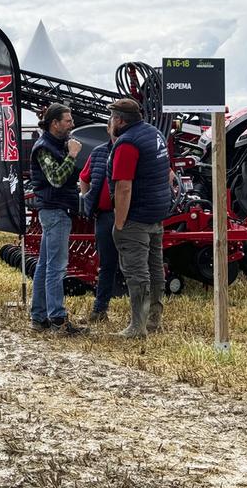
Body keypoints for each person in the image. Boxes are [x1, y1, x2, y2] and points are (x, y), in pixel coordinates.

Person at [108, 98, 171, 338]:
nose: (111, 121)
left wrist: (120, 223)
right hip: (156, 213)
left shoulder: (127, 144)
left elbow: (124, 187)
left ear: (120, 120)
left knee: (137, 273)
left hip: (136, 216)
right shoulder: (154, 134)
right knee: (156, 269)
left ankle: (138, 326)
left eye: (113, 117)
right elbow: (166, 172)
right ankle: (155, 319)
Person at [29, 103, 87, 335]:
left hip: (55, 210)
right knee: (56, 267)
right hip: (55, 210)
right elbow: (56, 178)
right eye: (68, 120)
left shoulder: (53, 145)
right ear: (55, 123)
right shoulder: (44, 148)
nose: (72, 124)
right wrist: (72, 155)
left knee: (45, 265)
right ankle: (57, 319)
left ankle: (39, 316)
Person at [79, 119, 119, 323]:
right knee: (107, 264)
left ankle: (143, 314)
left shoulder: (134, 150)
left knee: (135, 265)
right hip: (104, 216)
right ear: (108, 129)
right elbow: (84, 178)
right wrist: (88, 201)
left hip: (129, 217)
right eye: (113, 124)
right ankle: (100, 309)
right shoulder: (98, 152)